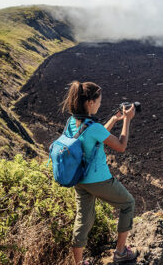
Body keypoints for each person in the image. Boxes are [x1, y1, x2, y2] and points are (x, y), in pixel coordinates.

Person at [60, 80, 138, 264]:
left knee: (83, 218)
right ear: (90, 102)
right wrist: (127, 120)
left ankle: (79, 263)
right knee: (128, 203)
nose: (100, 104)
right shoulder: (92, 127)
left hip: (78, 179)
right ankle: (120, 252)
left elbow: (93, 136)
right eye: (99, 101)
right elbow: (120, 146)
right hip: (98, 180)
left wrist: (114, 119)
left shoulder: (72, 122)